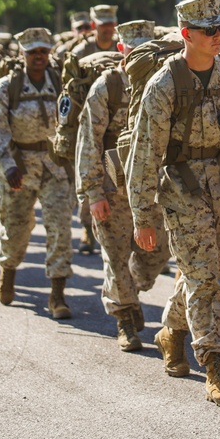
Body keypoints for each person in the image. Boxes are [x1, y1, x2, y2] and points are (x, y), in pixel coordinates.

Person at [126, 0, 220, 407]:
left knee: (214, 268)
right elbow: (144, 155)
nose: (218, 37)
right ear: (186, 35)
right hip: (181, 189)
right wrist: (143, 216)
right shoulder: (164, 85)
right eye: (209, 31)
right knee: (202, 277)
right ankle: (215, 366)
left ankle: (171, 331)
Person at [76, 19, 169, 349]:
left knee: (158, 252)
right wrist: (92, 193)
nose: (144, 55)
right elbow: (88, 141)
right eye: (135, 50)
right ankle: (125, 318)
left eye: (148, 48)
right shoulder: (108, 86)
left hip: (152, 186)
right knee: (115, 255)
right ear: (122, 50)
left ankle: (131, 287)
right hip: (113, 187)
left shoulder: (162, 81)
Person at [0, 28, 74, 318]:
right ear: (22, 54)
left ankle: (57, 294)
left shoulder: (62, 84)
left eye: (43, 52)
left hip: (54, 166)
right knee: (16, 227)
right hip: (17, 167)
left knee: (60, 228)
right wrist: (7, 165)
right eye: (33, 52)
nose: (38, 57)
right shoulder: (6, 87)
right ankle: (8, 272)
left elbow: (74, 121)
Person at [70, 4, 119, 255]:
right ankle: (87, 229)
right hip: (87, 119)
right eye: (103, 24)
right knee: (89, 173)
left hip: (115, 120)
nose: (108, 29)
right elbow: (69, 91)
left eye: (111, 23)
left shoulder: (121, 47)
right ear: (94, 25)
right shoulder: (82, 51)